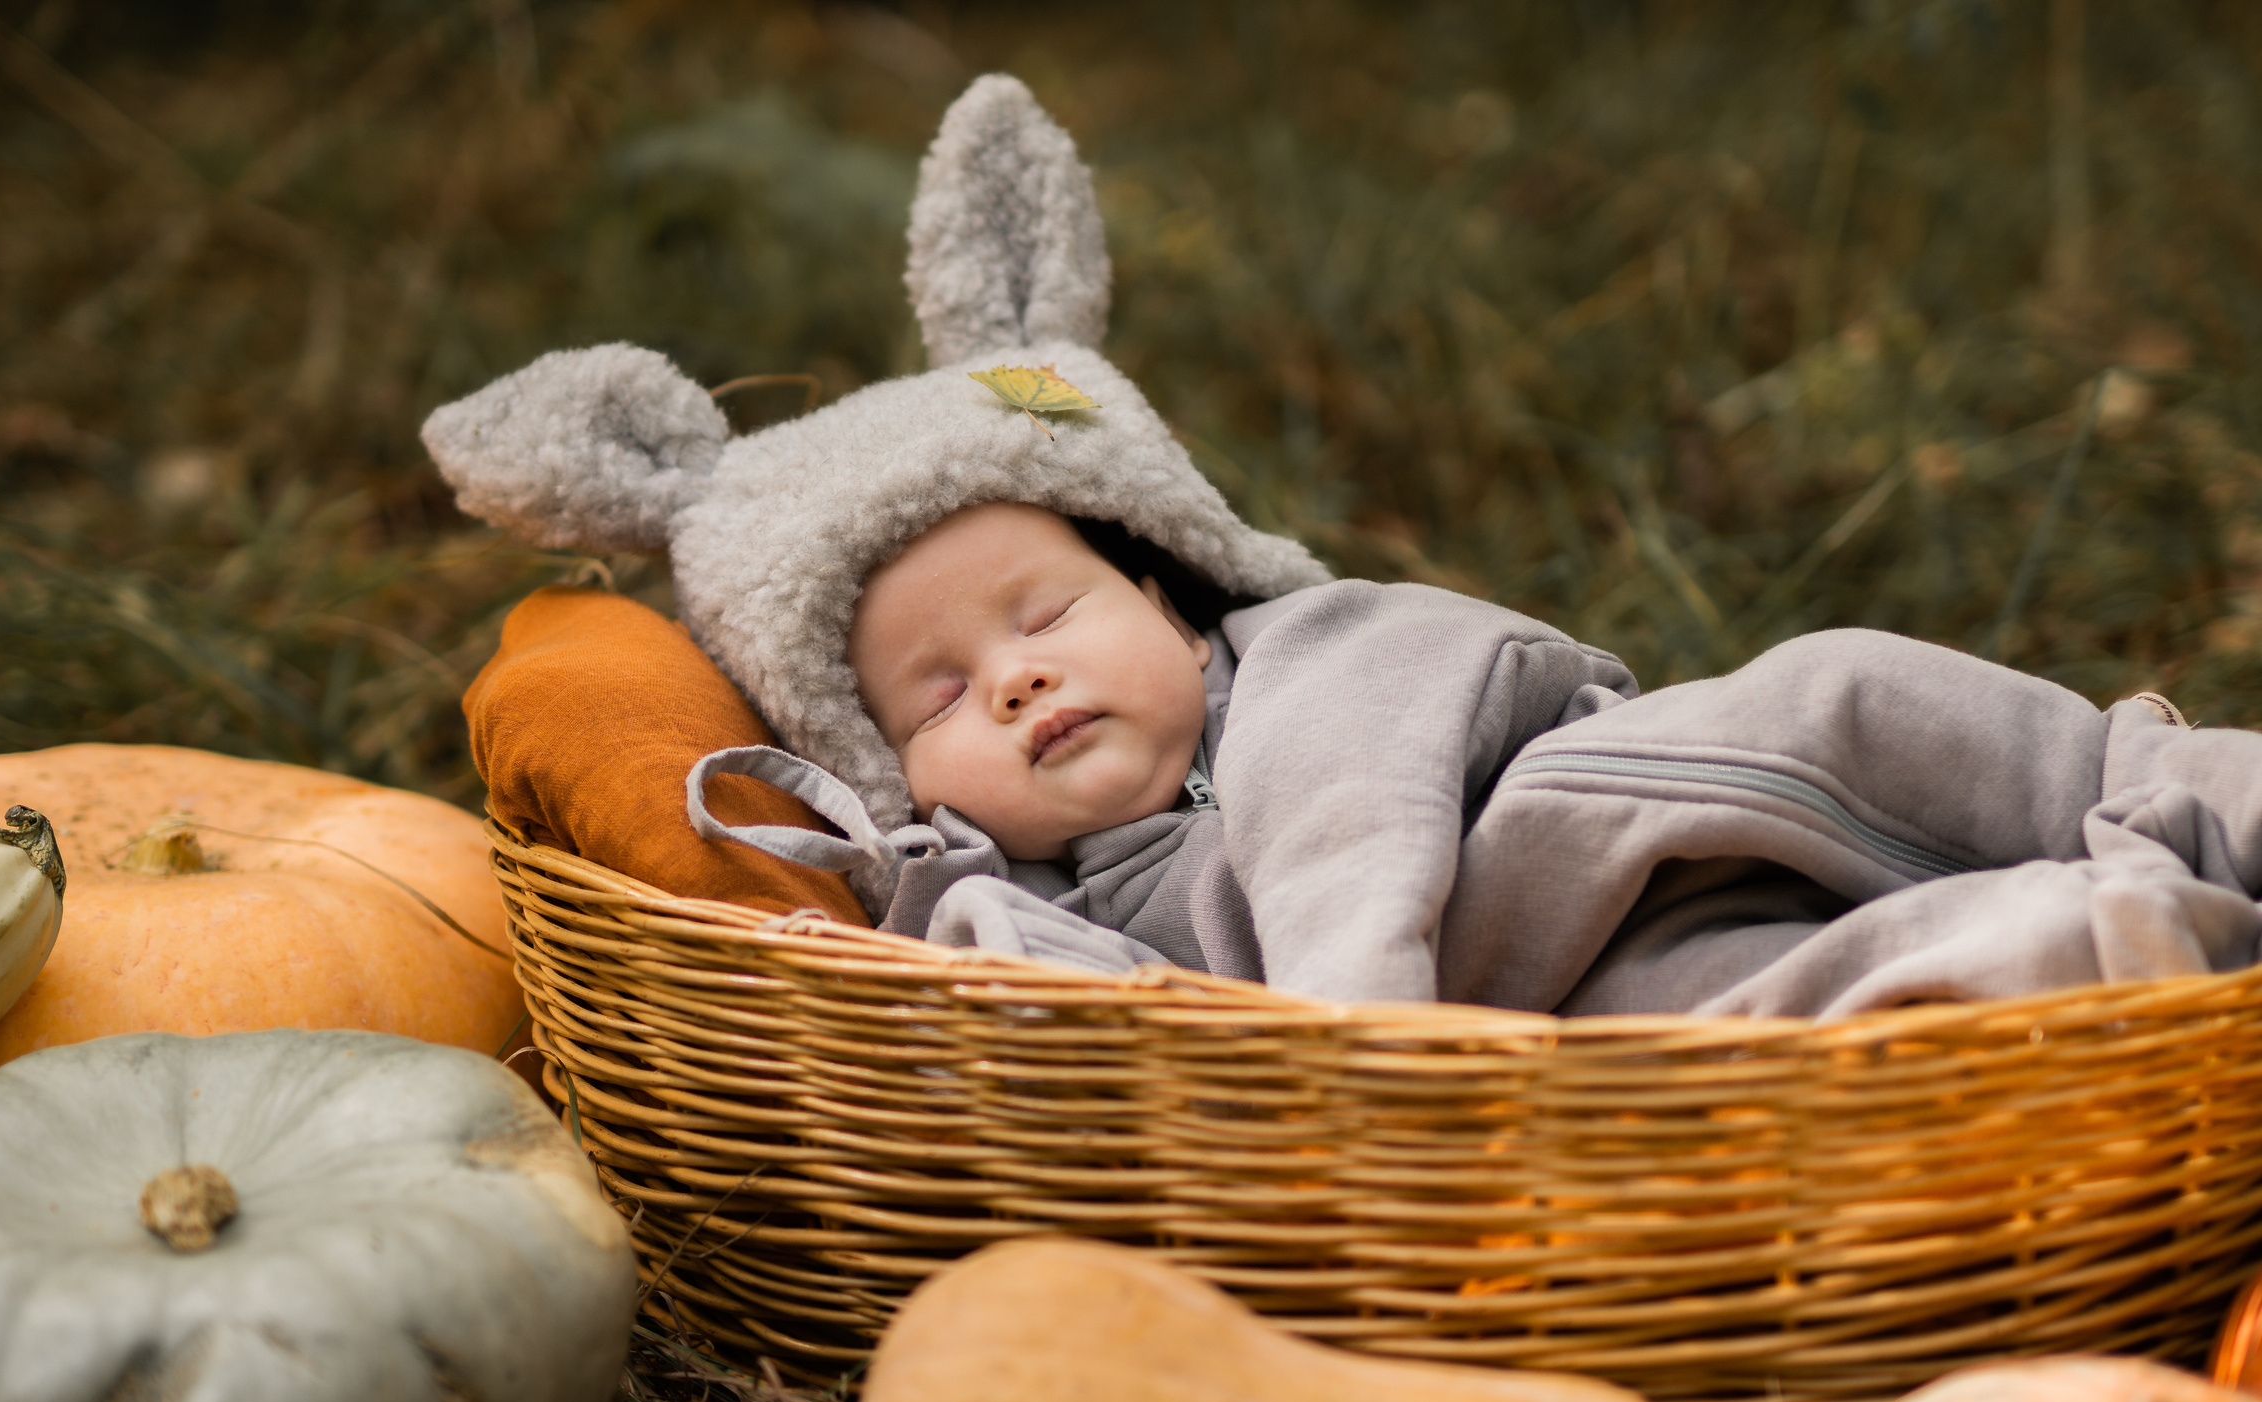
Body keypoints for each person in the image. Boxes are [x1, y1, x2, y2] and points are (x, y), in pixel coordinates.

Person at [424, 76, 2262, 1018]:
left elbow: (1353, 815)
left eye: (1046, 611)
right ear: (883, 764)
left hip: (1590, 831)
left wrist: (1357, 1024)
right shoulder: (994, 898)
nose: (1020, 675)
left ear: (1164, 581)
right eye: (941, 691)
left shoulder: (1304, 669)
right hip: (1551, 1021)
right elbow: (1073, 1043)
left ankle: (2181, 802)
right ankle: (2089, 954)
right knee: (1744, 1024)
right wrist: (948, 904)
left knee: (1838, 692)